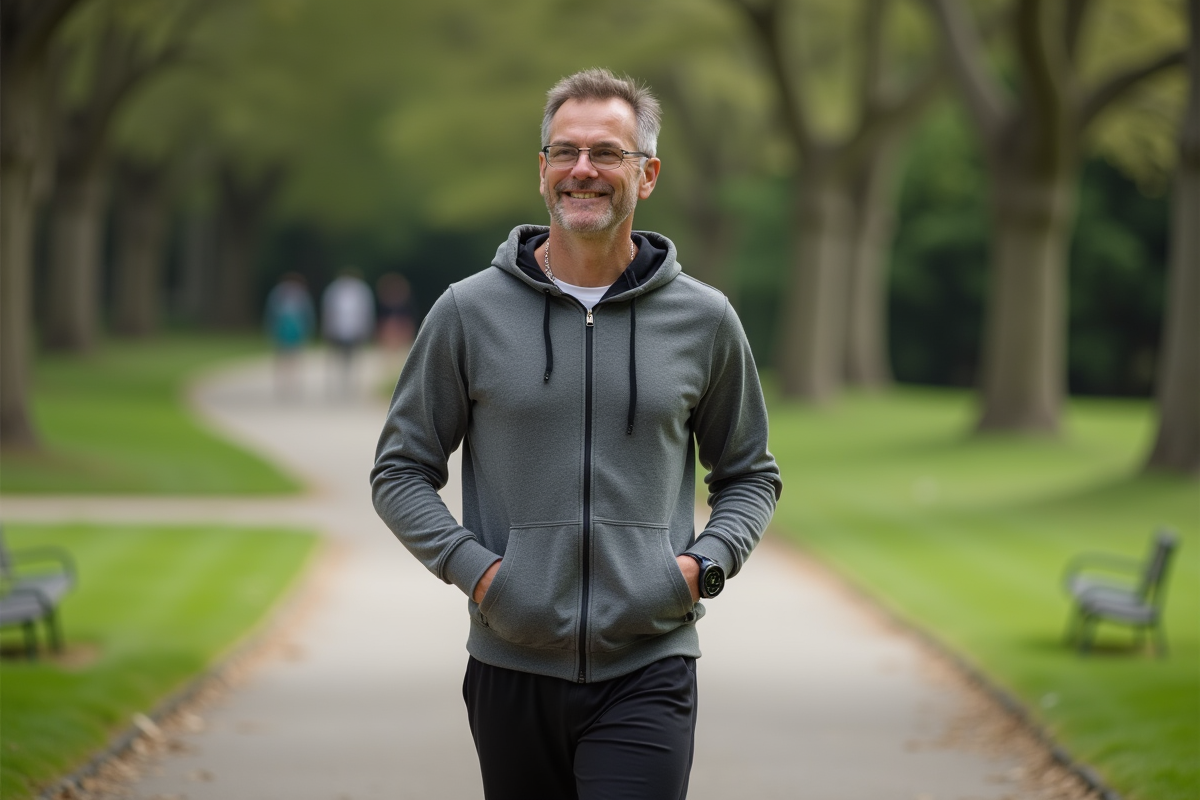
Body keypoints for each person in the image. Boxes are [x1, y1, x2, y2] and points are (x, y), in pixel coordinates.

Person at [371, 68, 781, 800]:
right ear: (542, 171)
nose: (582, 170)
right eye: (565, 152)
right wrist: (483, 576)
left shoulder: (705, 319)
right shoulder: (469, 313)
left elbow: (749, 473)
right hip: (510, 665)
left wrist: (698, 570)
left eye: (606, 153)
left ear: (646, 174)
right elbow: (400, 470)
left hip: (649, 664)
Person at [321, 269, 375, 396]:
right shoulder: (334, 291)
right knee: (336, 357)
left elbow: (366, 312)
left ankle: (351, 382)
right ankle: (337, 381)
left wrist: (366, 328)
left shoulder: (361, 291)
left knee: (353, 357)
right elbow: (328, 311)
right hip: (337, 330)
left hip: (355, 330)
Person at [263, 272, 315, 399]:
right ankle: (287, 383)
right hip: (287, 328)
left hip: (292, 328)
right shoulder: (282, 293)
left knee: (288, 356)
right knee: (289, 356)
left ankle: (288, 383)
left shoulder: (283, 293)